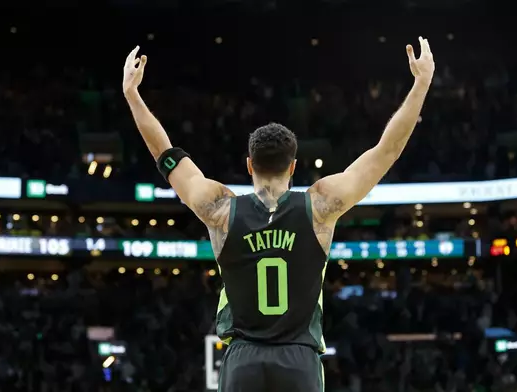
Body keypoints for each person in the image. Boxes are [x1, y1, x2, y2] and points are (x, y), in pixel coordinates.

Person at [122, 37, 434, 392]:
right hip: (298, 360)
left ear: (249, 164)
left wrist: (133, 95)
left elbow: (166, 155)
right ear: (294, 167)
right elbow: (387, 151)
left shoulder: (220, 208)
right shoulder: (320, 206)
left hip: (243, 359)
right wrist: (421, 82)